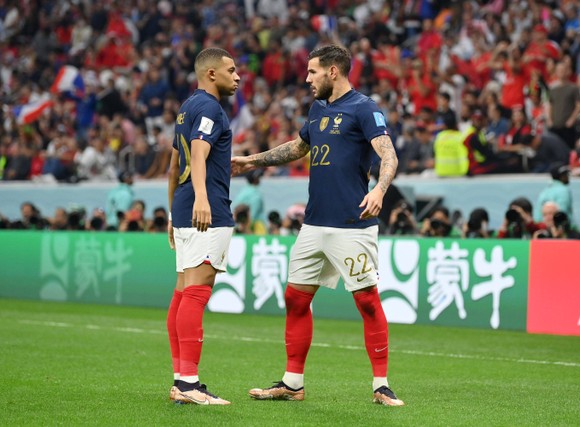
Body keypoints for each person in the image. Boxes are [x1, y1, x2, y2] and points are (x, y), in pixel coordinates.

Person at [231, 45, 404, 407]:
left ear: (333, 72)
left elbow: (388, 153)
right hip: (314, 224)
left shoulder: (364, 108)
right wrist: (251, 161)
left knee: (367, 302)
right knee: (295, 299)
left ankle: (381, 384)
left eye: (313, 72)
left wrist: (379, 189)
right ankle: (293, 383)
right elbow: (298, 147)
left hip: (352, 225)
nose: (307, 79)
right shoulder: (318, 109)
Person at [166, 47, 239, 406]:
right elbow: (197, 151)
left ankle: (181, 379)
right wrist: (202, 198)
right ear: (211, 74)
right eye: (231, 69)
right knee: (197, 292)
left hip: (183, 211)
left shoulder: (186, 107)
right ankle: (190, 384)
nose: (237, 75)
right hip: (205, 213)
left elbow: (172, 163)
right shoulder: (211, 108)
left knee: (182, 291)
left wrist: (170, 213)